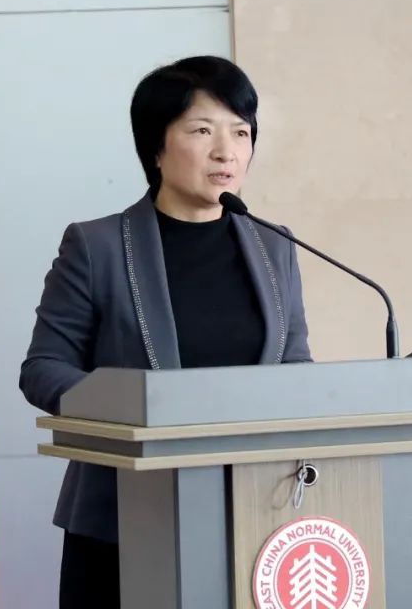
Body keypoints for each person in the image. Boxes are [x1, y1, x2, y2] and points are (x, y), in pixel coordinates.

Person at [19, 55, 312, 607]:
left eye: (241, 132)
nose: (226, 151)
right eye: (202, 131)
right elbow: (43, 370)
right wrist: (137, 408)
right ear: (156, 147)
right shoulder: (97, 247)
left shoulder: (275, 246)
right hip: (123, 520)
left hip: (251, 516)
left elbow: (295, 367)